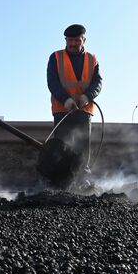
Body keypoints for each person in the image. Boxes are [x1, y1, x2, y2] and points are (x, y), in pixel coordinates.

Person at [46, 24, 102, 185]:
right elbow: (52, 82)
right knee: (62, 146)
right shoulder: (56, 57)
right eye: (69, 40)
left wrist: (87, 96)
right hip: (61, 110)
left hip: (84, 110)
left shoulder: (92, 59)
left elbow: (97, 82)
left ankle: (82, 181)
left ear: (83, 40)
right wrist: (66, 100)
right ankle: (62, 182)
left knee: (83, 146)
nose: (72, 44)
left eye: (76, 40)